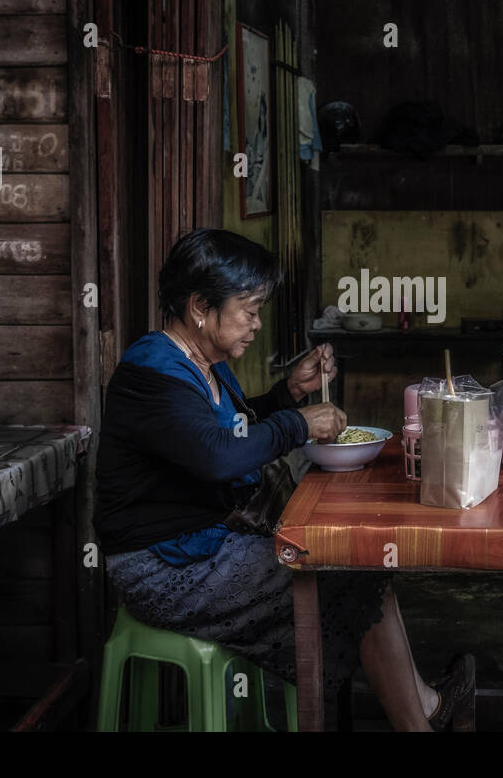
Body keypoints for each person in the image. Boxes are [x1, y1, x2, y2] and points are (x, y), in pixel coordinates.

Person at [95, 228, 474, 731]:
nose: (255, 324)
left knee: (355, 566)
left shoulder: (202, 364)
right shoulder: (151, 372)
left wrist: (288, 392)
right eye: (248, 310)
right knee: (345, 570)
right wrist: (298, 423)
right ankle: (421, 718)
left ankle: (423, 707)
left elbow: (231, 428)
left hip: (203, 548)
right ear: (200, 307)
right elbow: (215, 456)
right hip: (163, 568)